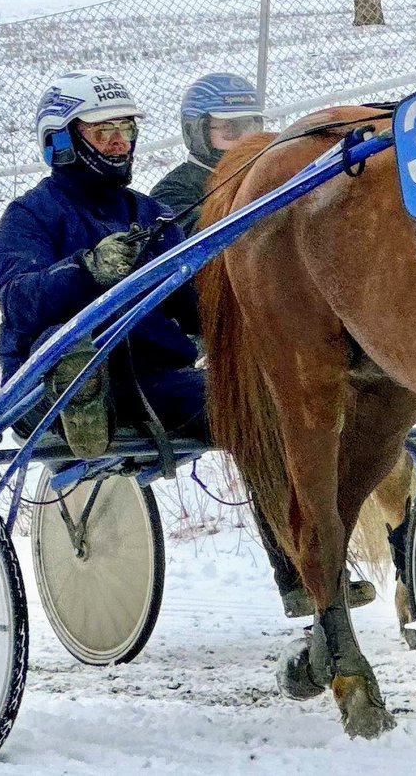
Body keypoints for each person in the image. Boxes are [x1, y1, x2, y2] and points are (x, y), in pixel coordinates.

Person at [149, 72, 375, 619]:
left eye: (249, 125)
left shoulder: (273, 178)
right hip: (214, 333)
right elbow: (183, 284)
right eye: (226, 130)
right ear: (197, 134)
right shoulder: (178, 193)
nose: (239, 138)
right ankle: (300, 570)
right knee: (268, 420)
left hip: (280, 324)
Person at [0, 69, 204, 460]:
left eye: (126, 129)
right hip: (46, 389)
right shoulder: (30, 215)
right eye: (103, 132)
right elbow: (19, 303)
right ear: (61, 141)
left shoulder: (154, 214)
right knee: (70, 346)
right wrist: (88, 270)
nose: (121, 144)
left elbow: (194, 308)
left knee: (243, 403)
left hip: (150, 380)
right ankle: (84, 406)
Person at [150, 72, 265, 237]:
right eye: (231, 128)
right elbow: (203, 239)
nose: (245, 139)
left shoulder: (264, 170)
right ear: (196, 131)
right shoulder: (171, 193)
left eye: (251, 126)